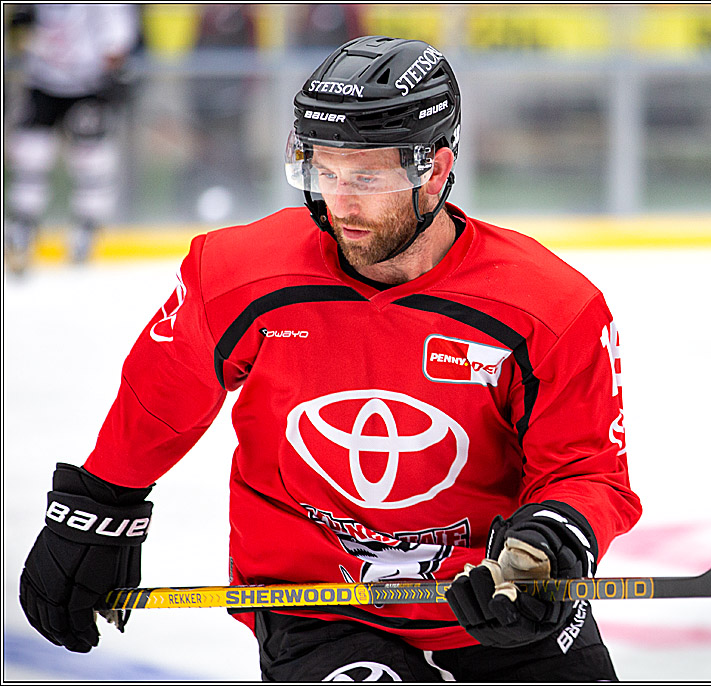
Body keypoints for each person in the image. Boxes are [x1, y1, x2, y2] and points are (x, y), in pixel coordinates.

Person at [19, 35, 642, 681]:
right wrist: (99, 508)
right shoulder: (236, 274)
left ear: (434, 167)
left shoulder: (551, 307)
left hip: (494, 597)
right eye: (323, 171)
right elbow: (163, 397)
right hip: (319, 605)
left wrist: (544, 551)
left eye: (367, 178)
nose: (340, 203)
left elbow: (587, 468)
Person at [3, 4, 140, 274]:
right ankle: (21, 227)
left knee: (92, 161)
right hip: (43, 82)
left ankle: (86, 229)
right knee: (30, 156)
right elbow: (20, 27)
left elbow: (118, 41)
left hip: (87, 85)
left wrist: (109, 72)